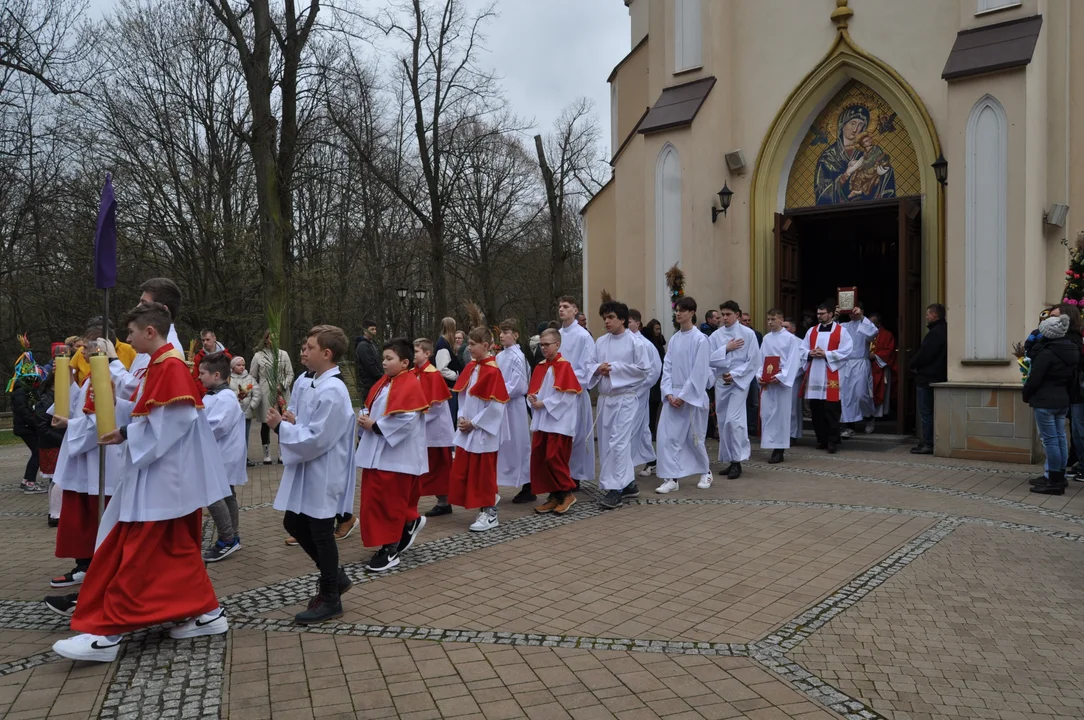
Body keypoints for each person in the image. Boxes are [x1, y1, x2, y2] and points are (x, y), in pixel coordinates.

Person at [51, 302, 230, 662]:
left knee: (137, 555)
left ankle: (108, 632)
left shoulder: (171, 366)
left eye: (131, 332)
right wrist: (114, 412)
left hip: (164, 481)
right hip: (161, 479)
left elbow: (172, 425)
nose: (127, 338)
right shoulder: (160, 366)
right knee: (175, 553)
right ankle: (208, 612)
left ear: (150, 331)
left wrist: (126, 434)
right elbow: (144, 405)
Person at [268, 325, 355, 624]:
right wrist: (294, 420)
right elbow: (312, 426)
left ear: (327, 354)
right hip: (311, 466)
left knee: (320, 531)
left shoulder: (333, 389)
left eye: (310, 347)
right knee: (293, 521)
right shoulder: (317, 383)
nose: (304, 351)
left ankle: (331, 596)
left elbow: (318, 437)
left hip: (324, 468)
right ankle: (336, 577)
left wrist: (281, 427)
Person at [355, 338, 429, 572]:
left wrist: (375, 425)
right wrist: (364, 417)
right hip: (379, 453)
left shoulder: (410, 384)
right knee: (375, 501)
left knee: (390, 504)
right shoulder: (384, 383)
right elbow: (373, 407)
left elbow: (407, 419)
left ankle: (390, 549)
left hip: (397, 456)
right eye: (383, 358)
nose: (384, 363)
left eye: (389, 359)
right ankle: (408, 523)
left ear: (405, 362)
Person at [589, 300, 651, 509]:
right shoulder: (600, 342)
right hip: (606, 400)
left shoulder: (635, 342)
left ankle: (614, 489)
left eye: (611, 317)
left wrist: (614, 368)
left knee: (618, 443)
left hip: (625, 399)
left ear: (622, 319)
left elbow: (643, 370)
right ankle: (629, 485)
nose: (606, 321)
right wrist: (598, 368)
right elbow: (590, 366)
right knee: (608, 444)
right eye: (604, 318)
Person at [449, 326, 509, 532]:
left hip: (483, 431)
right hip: (469, 428)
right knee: (470, 472)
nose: (469, 348)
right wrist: (461, 418)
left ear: (485, 346)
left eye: (473, 345)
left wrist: (474, 423)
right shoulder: (472, 367)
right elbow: (463, 395)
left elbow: (496, 406)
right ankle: (486, 502)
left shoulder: (493, 371)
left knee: (484, 472)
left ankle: (490, 513)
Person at [655, 297, 712, 494]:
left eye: (682, 310)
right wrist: (669, 392)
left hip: (691, 396)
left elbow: (699, 371)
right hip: (673, 396)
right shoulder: (674, 339)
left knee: (694, 437)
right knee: (667, 437)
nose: (678, 313)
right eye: (677, 310)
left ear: (692, 313)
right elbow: (667, 368)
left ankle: (705, 471)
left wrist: (684, 395)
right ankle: (671, 477)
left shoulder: (700, 339)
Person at [199, 352, 248, 563]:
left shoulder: (226, 397)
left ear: (216, 375)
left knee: (214, 496)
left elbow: (217, 426)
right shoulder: (213, 395)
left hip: (222, 455)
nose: (199, 377)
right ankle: (232, 537)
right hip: (218, 453)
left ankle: (227, 539)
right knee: (227, 495)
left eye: (202, 373)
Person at [706, 301, 761, 482]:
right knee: (723, 421)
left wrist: (736, 374)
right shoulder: (716, 335)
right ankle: (730, 459)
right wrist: (726, 349)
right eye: (723, 314)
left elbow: (753, 360)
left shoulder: (748, 334)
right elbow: (708, 358)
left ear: (737, 315)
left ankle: (737, 461)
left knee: (733, 420)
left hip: (739, 382)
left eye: (728, 314)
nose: (725, 318)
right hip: (722, 382)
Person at [528, 328, 581, 515]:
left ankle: (567, 492)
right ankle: (554, 495)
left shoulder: (564, 366)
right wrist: (533, 399)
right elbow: (535, 389)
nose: (543, 348)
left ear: (557, 345)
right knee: (542, 457)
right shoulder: (541, 366)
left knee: (554, 457)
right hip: (543, 420)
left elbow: (567, 396)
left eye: (547, 344)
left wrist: (544, 403)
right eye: (541, 344)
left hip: (559, 422)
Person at [1023, 313, 1077, 495]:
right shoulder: (1071, 349)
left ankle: (1053, 480)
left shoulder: (1047, 353)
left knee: (1050, 440)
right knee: (1060, 437)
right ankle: (1059, 476)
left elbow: (1034, 379)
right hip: (1062, 399)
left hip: (1045, 401)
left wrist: (1026, 394)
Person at [106, 278, 185, 400]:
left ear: (163, 310)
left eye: (144, 303)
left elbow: (134, 391)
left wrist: (111, 360)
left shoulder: (166, 349)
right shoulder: (150, 341)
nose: (137, 307)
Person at [802, 302, 854, 454]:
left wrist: (826, 354)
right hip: (815, 376)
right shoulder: (811, 331)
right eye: (818, 313)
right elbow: (802, 349)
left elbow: (847, 350)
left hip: (832, 374)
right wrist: (810, 353)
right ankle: (821, 439)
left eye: (822, 313)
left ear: (831, 314)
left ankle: (832, 440)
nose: (819, 316)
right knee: (816, 410)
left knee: (831, 410)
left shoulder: (841, 331)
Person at [414, 339, 456, 518]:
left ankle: (444, 501)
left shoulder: (433, 374)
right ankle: (442, 501)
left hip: (435, 430)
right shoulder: (415, 373)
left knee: (440, 467)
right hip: (423, 427)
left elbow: (436, 406)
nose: (413, 354)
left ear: (427, 353)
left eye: (416, 351)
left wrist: (417, 419)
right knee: (430, 467)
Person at [557, 297, 596, 490]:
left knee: (578, 436)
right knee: (560, 437)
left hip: (575, 393)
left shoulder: (583, 336)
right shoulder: (556, 335)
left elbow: (587, 367)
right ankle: (562, 474)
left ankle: (576, 476)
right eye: (560, 307)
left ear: (575, 310)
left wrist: (568, 381)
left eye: (566, 307)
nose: (561, 310)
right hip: (557, 395)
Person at [495, 320, 533, 502]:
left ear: (516, 334)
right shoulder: (500, 356)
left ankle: (528, 484)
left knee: (519, 444)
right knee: (506, 446)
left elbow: (520, 384)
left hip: (515, 405)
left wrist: (499, 392)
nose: (501, 335)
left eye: (506, 332)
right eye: (501, 332)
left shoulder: (518, 356)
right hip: (504, 405)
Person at [759, 309, 803, 463]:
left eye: (773, 319)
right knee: (767, 413)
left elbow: (793, 361)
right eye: (768, 319)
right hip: (768, 383)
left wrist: (781, 376)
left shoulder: (790, 339)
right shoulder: (766, 338)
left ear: (781, 320)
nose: (770, 322)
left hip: (782, 383)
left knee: (781, 415)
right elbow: (761, 360)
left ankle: (779, 449)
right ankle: (770, 443)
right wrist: (760, 376)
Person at [628, 310, 661, 489]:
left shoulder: (645, 345)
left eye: (631, 321)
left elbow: (655, 370)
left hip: (638, 394)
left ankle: (628, 467)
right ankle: (651, 460)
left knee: (633, 428)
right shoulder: (624, 342)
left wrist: (640, 388)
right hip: (625, 393)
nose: (628, 324)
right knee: (640, 429)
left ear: (638, 324)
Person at [251, 330, 294, 465]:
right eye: (271, 338)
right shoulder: (258, 356)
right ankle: (266, 453)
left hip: (282, 392)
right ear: (266, 339)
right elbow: (253, 376)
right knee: (266, 421)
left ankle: (282, 452)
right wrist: (256, 390)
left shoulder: (283, 354)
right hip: (265, 390)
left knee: (283, 420)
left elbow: (290, 373)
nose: (273, 341)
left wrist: (283, 385)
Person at [910, 303, 947, 454]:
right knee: (931, 412)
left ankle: (928, 443)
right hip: (938, 376)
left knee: (926, 413)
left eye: (928, 314)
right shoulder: (944, 330)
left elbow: (925, 354)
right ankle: (927, 440)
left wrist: (912, 364)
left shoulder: (935, 333)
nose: (926, 316)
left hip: (927, 377)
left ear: (934, 315)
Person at [838, 303, 879, 437]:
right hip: (846, 364)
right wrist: (836, 315)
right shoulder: (844, 326)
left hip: (861, 363)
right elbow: (831, 333)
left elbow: (873, 334)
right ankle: (849, 426)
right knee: (846, 396)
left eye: (855, 310)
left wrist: (861, 317)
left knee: (861, 394)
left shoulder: (864, 325)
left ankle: (869, 417)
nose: (852, 313)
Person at [35, 365, 68, 526]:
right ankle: (55, 514)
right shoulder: (46, 399)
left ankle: (55, 512)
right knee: (57, 478)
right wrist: (60, 440)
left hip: (57, 441)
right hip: (52, 444)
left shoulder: (59, 396)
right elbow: (42, 426)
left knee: (57, 478)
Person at [11, 364, 46, 494]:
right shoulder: (21, 392)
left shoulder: (27, 391)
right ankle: (30, 482)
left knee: (36, 452)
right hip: (26, 427)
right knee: (37, 452)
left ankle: (26, 480)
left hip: (27, 426)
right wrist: (36, 424)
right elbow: (24, 412)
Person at [641, 319, 666, 477]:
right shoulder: (648, 342)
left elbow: (659, 366)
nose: (658, 331)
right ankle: (650, 460)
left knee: (651, 416)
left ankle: (652, 460)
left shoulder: (657, 344)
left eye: (659, 329)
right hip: (650, 388)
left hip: (655, 386)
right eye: (655, 329)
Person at [229, 355, 261, 465]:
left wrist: (251, 406)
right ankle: (234, 457)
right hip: (233, 413)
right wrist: (237, 395)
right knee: (234, 436)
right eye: (238, 365)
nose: (241, 367)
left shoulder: (250, 378)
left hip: (246, 413)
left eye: (243, 365)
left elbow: (257, 393)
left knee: (245, 436)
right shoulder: (229, 379)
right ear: (233, 367)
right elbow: (226, 394)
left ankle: (244, 457)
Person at [434, 317, 462, 426]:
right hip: (448, 389)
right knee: (450, 419)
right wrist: (456, 376)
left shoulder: (445, 344)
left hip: (450, 388)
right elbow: (441, 369)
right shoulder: (443, 346)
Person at [869, 313, 896, 424]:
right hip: (866, 367)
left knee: (880, 391)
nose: (871, 325)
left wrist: (875, 355)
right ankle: (867, 415)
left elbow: (889, 351)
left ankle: (879, 416)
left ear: (879, 323)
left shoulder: (887, 335)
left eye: (873, 323)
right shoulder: (864, 334)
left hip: (880, 367)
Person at [784, 319, 807, 443]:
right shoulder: (775, 340)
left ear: (793, 329)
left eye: (786, 327)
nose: (784, 329)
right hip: (778, 380)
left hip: (794, 379)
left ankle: (793, 434)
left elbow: (803, 363)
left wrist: (790, 375)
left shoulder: (801, 343)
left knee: (793, 408)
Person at [190, 329, 232, 396]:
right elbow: (196, 378)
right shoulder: (198, 358)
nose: (205, 343)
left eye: (207, 339)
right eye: (203, 340)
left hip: (224, 392)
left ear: (214, 338)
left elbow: (231, 376)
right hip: (205, 394)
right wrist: (205, 392)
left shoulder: (226, 356)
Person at [354, 320, 383, 406]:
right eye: (372, 329)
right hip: (368, 384)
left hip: (375, 382)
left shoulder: (372, 344)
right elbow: (370, 365)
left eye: (375, 329)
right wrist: (381, 376)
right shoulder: (363, 346)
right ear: (365, 331)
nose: (374, 332)